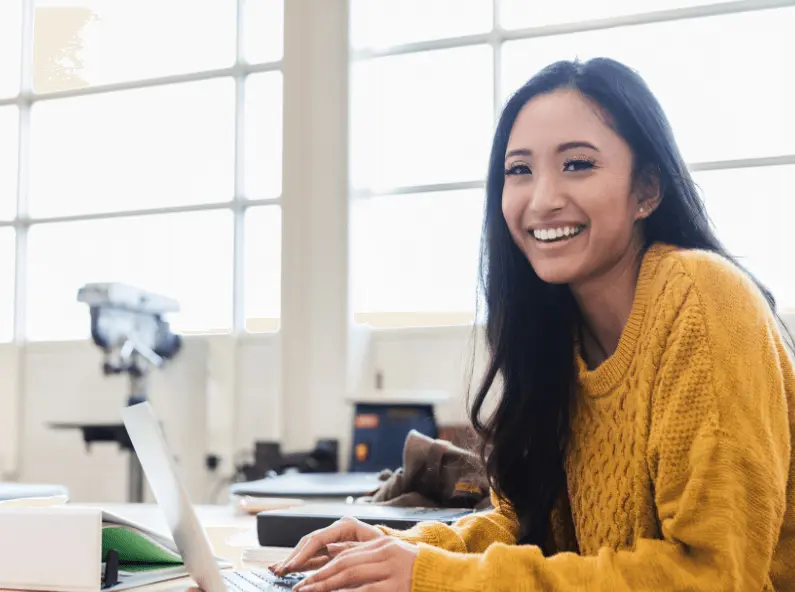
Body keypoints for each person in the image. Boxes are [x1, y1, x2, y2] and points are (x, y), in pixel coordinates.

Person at [273, 58, 795, 591]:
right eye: (519, 170)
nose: (542, 200)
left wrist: (436, 578)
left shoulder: (705, 299)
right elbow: (525, 526)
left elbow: (714, 576)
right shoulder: (555, 331)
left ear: (647, 190)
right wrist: (401, 550)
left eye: (578, 164)